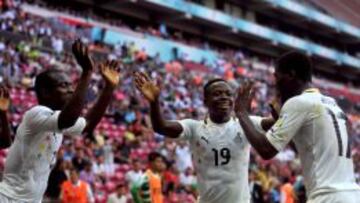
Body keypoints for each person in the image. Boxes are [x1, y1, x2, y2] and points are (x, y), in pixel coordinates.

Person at [0, 39, 121, 203]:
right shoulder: (36, 114)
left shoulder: (57, 122)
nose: (71, 90)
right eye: (64, 85)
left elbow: (88, 124)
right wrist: (86, 72)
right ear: (46, 92)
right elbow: (69, 119)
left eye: (71, 85)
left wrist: (109, 88)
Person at [235, 51, 360, 203]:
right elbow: (307, 147)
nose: (275, 83)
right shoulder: (333, 104)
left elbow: (266, 150)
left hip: (327, 196)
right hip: (352, 194)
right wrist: (283, 125)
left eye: (277, 76)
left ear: (291, 75)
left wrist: (241, 113)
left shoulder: (298, 102)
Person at [134, 72, 274, 203]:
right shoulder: (194, 128)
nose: (224, 97)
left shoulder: (246, 123)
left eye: (228, 94)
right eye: (217, 94)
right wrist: (154, 102)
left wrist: (284, 104)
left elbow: (276, 121)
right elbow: (161, 127)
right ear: (205, 101)